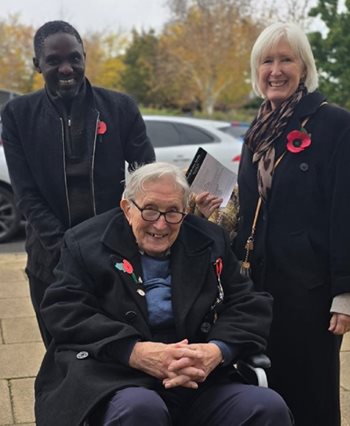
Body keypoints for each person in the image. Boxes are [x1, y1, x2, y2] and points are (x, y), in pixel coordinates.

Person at [34, 162, 293, 426]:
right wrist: (134, 352)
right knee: (141, 410)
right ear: (127, 209)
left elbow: (248, 302)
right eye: (150, 210)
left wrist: (216, 351)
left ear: (185, 211)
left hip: (197, 376)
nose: (161, 224)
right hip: (117, 376)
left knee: (267, 408)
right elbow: (64, 309)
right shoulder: (85, 242)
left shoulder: (209, 239)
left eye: (173, 212)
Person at [196, 22, 350, 426]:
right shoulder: (258, 128)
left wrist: (345, 291)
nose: (275, 70)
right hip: (256, 285)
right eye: (267, 60)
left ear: (305, 67)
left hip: (309, 289)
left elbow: (344, 209)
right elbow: (245, 208)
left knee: (312, 390)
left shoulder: (334, 124)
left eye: (286, 59)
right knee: (266, 387)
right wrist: (210, 212)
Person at [1, 20, 155, 346]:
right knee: (60, 353)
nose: (66, 68)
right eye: (53, 61)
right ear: (37, 64)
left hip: (113, 255)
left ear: (85, 56)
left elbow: (146, 177)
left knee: (118, 349)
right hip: (50, 261)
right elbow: (26, 194)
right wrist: (67, 251)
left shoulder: (120, 107)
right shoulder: (18, 115)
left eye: (74, 57)